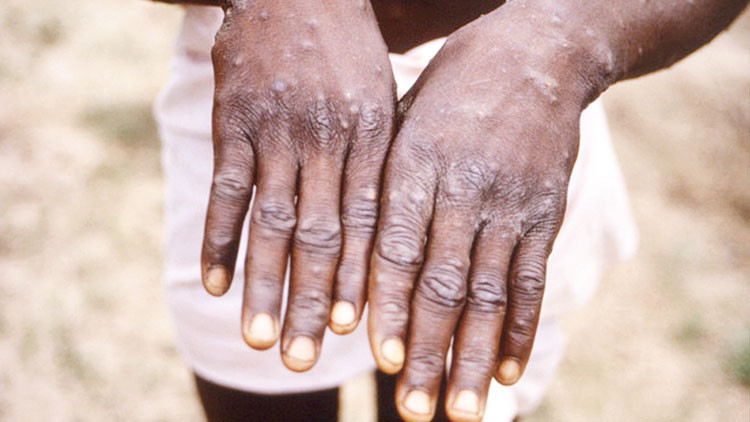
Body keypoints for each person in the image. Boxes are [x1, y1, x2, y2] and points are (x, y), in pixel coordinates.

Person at [151, 1, 747, 421]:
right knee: (258, 385)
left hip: (511, 111)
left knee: (454, 392)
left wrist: (564, 40)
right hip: (272, 84)